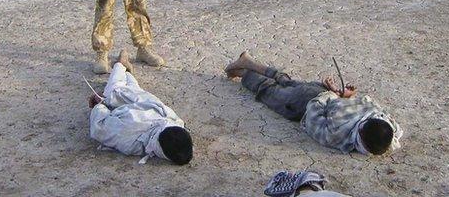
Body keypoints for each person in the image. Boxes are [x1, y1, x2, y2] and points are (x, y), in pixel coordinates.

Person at [225, 52, 403, 156]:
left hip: (321, 92)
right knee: (269, 91)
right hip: (306, 101)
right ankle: (243, 71)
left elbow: (366, 101)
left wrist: (343, 96)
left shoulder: (383, 120)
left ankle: (248, 62)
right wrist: (333, 94)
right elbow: (312, 113)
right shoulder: (339, 134)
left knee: (286, 81)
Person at [88, 50, 193, 165]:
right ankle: (123, 66)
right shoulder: (174, 123)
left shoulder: (129, 140)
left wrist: (100, 105)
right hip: (139, 98)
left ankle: (121, 65)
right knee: (127, 88)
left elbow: (100, 126)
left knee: (114, 90)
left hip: (124, 103)